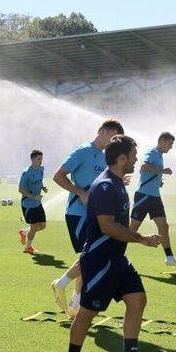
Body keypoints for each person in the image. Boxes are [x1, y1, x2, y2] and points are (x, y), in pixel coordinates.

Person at [61, 135, 163, 352]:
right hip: (100, 260)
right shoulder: (106, 186)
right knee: (87, 312)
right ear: (121, 158)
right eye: (133, 156)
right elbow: (107, 227)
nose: (137, 160)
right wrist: (142, 239)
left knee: (137, 300)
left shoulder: (116, 182)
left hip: (116, 258)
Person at [50, 119, 124, 316]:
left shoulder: (105, 157)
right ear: (102, 131)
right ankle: (61, 284)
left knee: (89, 257)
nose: (113, 142)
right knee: (91, 257)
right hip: (78, 214)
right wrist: (80, 193)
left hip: (96, 215)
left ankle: (75, 304)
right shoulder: (82, 151)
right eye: (112, 136)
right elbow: (58, 176)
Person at [130, 132, 176, 266]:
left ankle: (170, 257)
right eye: (170, 144)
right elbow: (143, 166)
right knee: (133, 229)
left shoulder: (159, 155)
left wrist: (158, 181)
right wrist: (162, 171)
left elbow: (150, 171)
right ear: (163, 141)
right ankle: (114, 251)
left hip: (154, 197)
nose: (171, 147)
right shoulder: (153, 152)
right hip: (144, 196)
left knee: (164, 226)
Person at [18, 150, 47, 254]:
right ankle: (27, 247)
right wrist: (34, 196)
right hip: (28, 204)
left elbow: (39, 181)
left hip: (37, 203)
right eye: (39, 159)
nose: (41, 161)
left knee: (43, 226)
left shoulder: (41, 169)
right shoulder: (26, 173)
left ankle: (24, 232)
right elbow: (20, 189)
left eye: (41, 159)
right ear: (32, 159)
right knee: (34, 227)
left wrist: (43, 187)